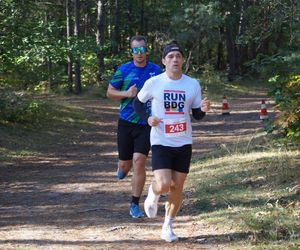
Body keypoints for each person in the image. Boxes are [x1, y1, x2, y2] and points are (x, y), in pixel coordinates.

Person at [133, 42, 211, 242]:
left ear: (183, 60)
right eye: (170, 57)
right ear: (164, 61)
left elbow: (196, 115)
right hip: (161, 140)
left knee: (177, 186)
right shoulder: (154, 83)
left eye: (178, 56)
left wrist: (203, 109)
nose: (175, 59)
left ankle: (167, 225)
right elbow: (137, 103)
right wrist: (148, 119)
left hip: (184, 141)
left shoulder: (192, 84)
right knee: (164, 184)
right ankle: (153, 191)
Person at [106, 35, 162, 218]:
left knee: (139, 161)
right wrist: (126, 93)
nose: (139, 53)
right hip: (126, 123)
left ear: (147, 50)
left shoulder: (156, 70)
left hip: (145, 123)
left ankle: (134, 204)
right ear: (131, 52)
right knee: (126, 164)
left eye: (142, 49)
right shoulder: (123, 70)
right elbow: (110, 92)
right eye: (135, 50)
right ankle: (122, 168)